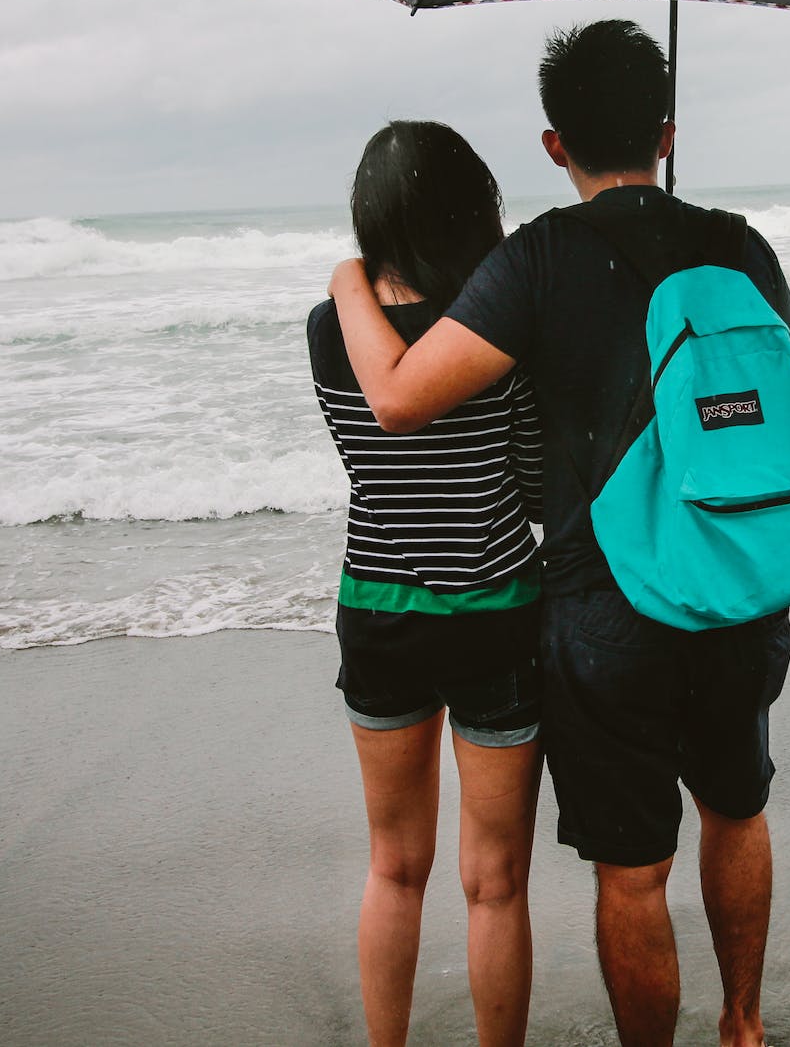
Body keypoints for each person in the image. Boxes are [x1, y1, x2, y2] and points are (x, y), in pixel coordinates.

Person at [329, 20, 790, 1047]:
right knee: (737, 808)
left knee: (634, 870)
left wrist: (343, 280)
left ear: (554, 143)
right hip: (737, 578)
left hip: (608, 608)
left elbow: (404, 397)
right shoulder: (741, 245)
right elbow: (776, 405)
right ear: (666, 132)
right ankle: (744, 1027)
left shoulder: (539, 257)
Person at [309, 121, 546, 1047]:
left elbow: (358, 453)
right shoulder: (494, 329)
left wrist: (341, 273)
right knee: (494, 881)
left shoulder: (333, 326)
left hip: (377, 609)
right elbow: (528, 483)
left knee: (393, 867)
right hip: (494, 612)